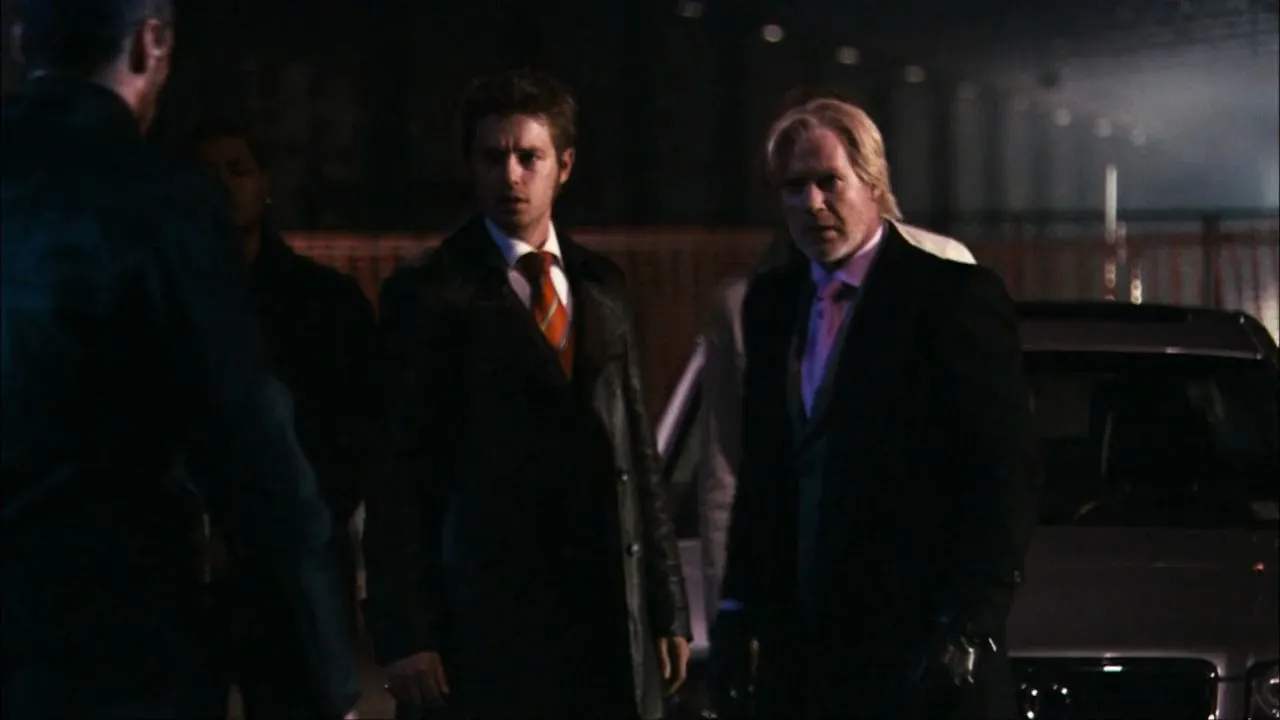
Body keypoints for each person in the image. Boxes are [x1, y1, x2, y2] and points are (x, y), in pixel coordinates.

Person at [0, 1, 359, 718]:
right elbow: (248, 450)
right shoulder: (160, 202)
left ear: (19, 42)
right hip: (113, 647)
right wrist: (324, 680)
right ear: (150, 43)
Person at [364, 68, 691, 720]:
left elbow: (637, 458)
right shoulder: (429, 293)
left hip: (598, 611)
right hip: (486, 619)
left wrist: (665, 606)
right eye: (493, 158)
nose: (510, 175)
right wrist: (407, 632)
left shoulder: (601, 285)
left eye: (528, 157)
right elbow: (396, 471)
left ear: (563, 166)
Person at [711, 97, 1042, 719]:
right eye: (794, 188)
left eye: (829, 182)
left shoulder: (949, 296)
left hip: (913, 645)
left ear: (873, 181)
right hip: (801, 654)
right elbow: (765, 474)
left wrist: (970, 621)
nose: (812, 204)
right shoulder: (771, 304)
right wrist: (737, 609)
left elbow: (1003, 469)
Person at [188, 119, 378, 718]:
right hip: (187, 573)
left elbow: (357, 435)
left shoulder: (325, 303)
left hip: (295, 571)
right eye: (205, 173)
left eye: (238, 170)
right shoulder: (161, 301)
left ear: (265, 183)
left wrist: (284, 525)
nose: (223, 185)